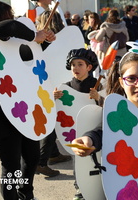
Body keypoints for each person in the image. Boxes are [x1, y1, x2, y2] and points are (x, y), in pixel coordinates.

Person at [0, 1, 55, 199]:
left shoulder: (11, 41)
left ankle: (25, 193)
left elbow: (29, 57)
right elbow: (10, 26)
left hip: (26, 107)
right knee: (10, 165)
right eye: (7, 15)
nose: (11, 19)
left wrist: (43, 40)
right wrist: (33, 34)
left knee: (32, 156)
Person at [70, 43, 138, 157]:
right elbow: (102, 132)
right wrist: (89, 139)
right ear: (122, 82)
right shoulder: (116, 114)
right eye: (131, 78)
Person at [54, 48, 102, 200]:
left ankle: (98, 185)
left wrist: (99, 97)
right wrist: (54, 98)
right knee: (78, 160)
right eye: (73, 64)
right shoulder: (66, 87)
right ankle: (79, 187)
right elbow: (57, 109)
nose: (76, 68)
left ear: (89, 67)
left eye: (80, 64)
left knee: (97, 158)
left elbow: (108, 106)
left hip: (95, 129)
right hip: (74, 131)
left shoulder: (98, 85)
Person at [35, 10, 72, 177]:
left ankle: (53, 154)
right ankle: (41, 162)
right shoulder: (50, 41)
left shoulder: (37, 40)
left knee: (53, 119)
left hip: (45, 85)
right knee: (51, 123)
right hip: (50, 86)